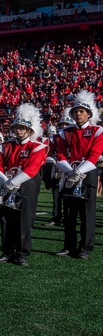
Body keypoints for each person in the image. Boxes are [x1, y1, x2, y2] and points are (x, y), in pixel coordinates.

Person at [0, 104, 47, 266]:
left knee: (24, 220)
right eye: (17, 127)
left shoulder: (37, 147)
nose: (19, 130)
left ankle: (22, 254)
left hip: (25, 187)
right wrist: (6, 182)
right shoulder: (4, 145)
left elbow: (32, 169)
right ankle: (6, 251)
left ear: (30, 131)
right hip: (6, 185)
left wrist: (12, 182)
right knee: (6, 220)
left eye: (23, 128)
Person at [54, 90, 103, 260]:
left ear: (89, 114)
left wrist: (78, 171)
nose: (78, 113)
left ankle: (85, 248)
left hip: (87, 175)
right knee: (69, 215)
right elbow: (59, 155)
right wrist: (70, 171)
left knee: (87, 215)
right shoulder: (64, 132)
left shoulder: (97, 131)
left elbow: (94, 155)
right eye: (75, 111)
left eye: (82, 111)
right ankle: (69, 246)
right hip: (69, 175)